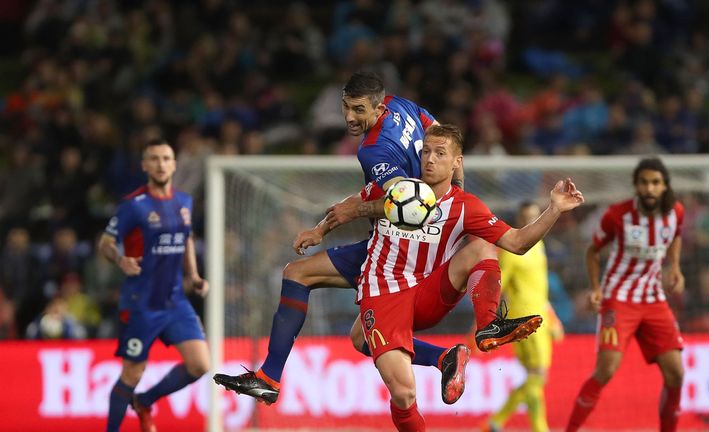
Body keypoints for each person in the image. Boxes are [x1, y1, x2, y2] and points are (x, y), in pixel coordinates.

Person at [213, 71, 542, 405]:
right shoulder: (403, 106)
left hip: (397, 251)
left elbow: (409, 205)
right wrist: (455, 195)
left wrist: (358, 212)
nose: (349, 117)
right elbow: (445, 143)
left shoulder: (373, 151)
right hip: (409, 241)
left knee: (397, 388)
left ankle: (270, 377)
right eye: (345, 107)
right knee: (356, 332)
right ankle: (446, 358)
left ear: (376, 106)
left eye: (357, 109)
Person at [343, 124, 583, 431]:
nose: (429, 159)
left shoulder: (466, 206)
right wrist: (321, 228)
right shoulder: (398, 189)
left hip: (429, 295)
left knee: (483, 246)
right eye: (426, 151)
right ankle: (446, 357)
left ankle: (489, 326)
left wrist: (554, 209)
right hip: (387, 296)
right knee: (386, 371)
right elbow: (353, 205)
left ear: (457, 161)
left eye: (440, 154)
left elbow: (517, 243)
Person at [565, 157, 685, 432]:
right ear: (636, 185)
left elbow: (676, 234)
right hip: (618, 299)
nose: (649, 189)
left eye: (655, 183)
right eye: (644, 182)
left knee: (676, 373)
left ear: (665, 186)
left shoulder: (676, 212)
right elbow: (593, 251)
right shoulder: (617, 215)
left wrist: (675, 266)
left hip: (654, 300)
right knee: (606, 370)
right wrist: (596, 288)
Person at [100, 138, 210, 432]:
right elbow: (106, 243)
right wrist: (120, 259)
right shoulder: (133, 205)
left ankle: (145, 401)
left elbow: (186, 238)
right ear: (144, 165)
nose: (161, 164)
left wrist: (195, 275)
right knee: (132, 373)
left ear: (174, 164)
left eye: (166, 158)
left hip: (175, 300)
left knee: (199, 364)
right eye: (154, 159)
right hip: (141, 302)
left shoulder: (184, 201)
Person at [481, 201, 564, 432]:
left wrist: (552, 315)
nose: (533, 222)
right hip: (524, 320)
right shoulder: (512, 251)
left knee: (534, 377)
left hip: (540, 315)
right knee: (538, 375)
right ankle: (537, 428)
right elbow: (498, 287)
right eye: (527, 217)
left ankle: (495, 423)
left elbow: (539, 287)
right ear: (519, 220)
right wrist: (486, 320)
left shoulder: (540, 245)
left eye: (537, 218)